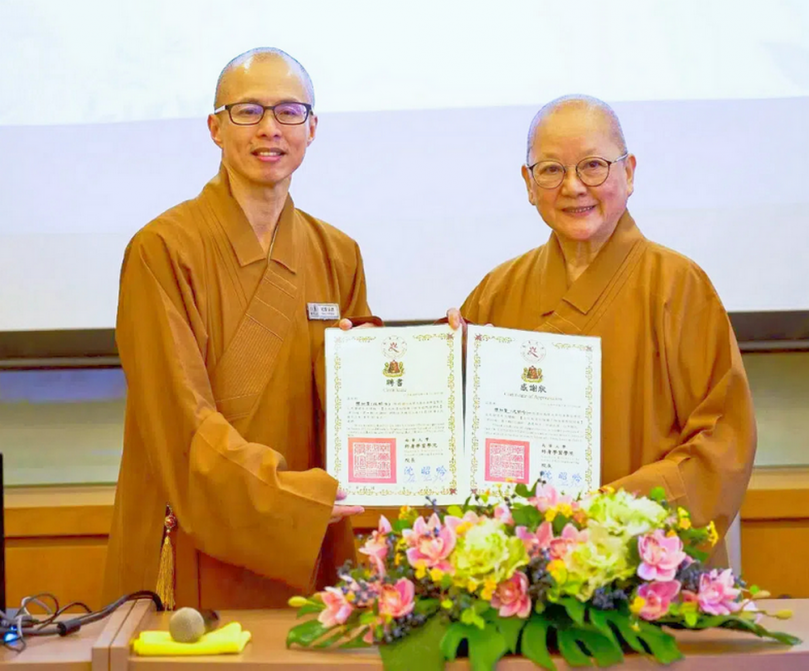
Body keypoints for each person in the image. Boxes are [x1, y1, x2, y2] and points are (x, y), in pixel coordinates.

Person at [103, 48, 372, 610]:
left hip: (306, 541)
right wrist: (288, 497)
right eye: (248, 111)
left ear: (312, 128)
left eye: (289, 112)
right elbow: (181, 421)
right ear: (215, 128)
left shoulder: (337, 252)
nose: (270, 129)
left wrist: (440, 360)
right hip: (201, 532)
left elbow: (366, 402)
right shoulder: (163, 249)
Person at [453, 95, 756, 563]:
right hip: (528, 566)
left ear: (629, 173)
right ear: (529, 184)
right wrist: (444, 366)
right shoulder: (497, 291)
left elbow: (721, 442)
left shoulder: (678, 285)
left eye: (593, 166)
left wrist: (603, 514)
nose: (573, 186)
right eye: (551, 170)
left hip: (646, 567)